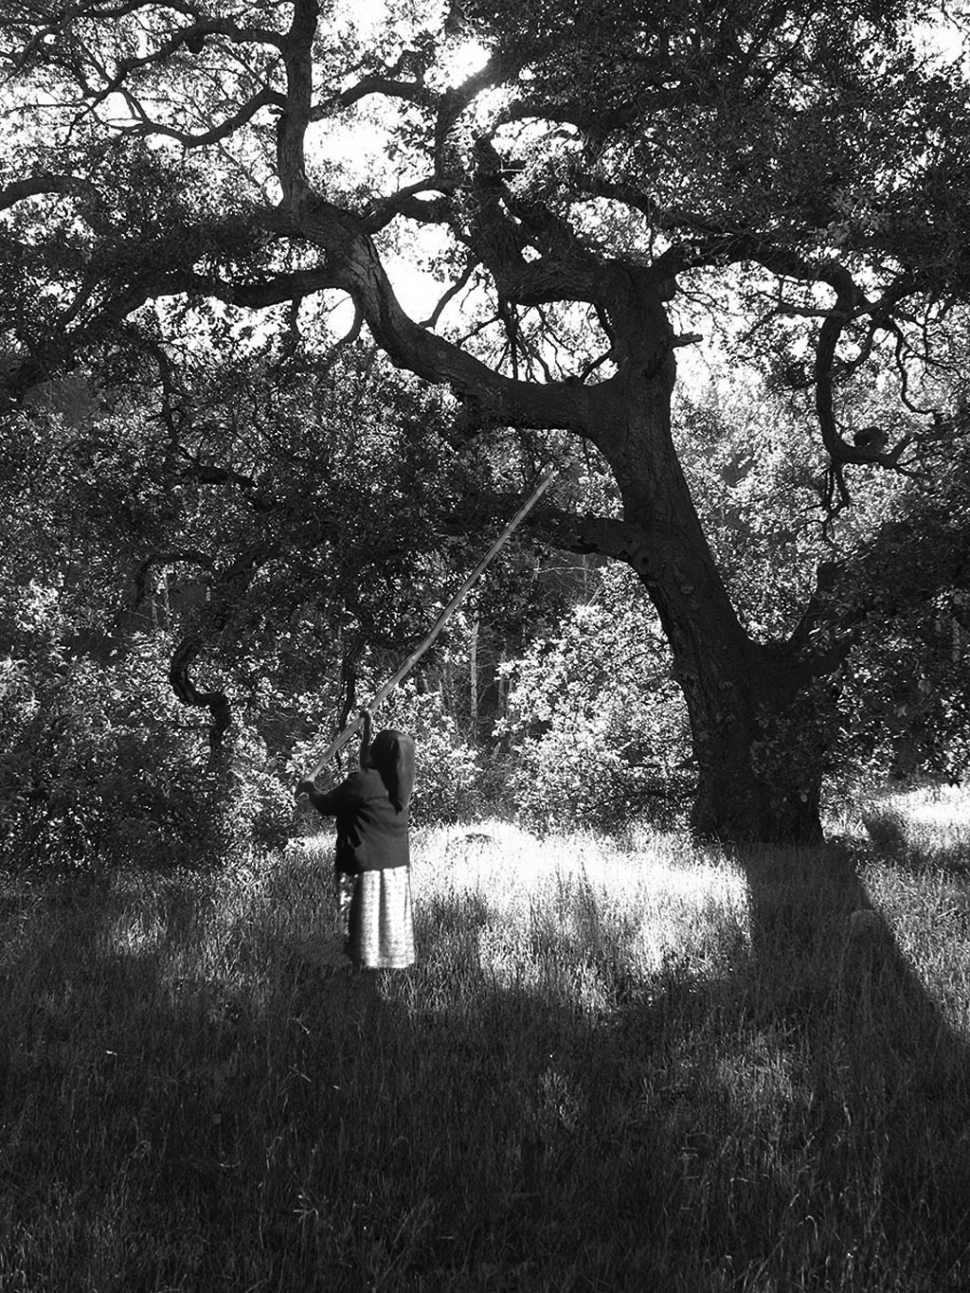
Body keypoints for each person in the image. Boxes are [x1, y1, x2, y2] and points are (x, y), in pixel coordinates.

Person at [297, 712, 415, 970]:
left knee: (363, 925)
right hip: (395, 868)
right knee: (387, 924)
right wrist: (367, 730)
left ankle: (361, 972)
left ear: (380, 754)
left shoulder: (362, 782)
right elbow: (368, 765)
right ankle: (385, 969)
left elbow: (328, 805)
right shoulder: (399, 785)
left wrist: (310, 789)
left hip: (365, 868)